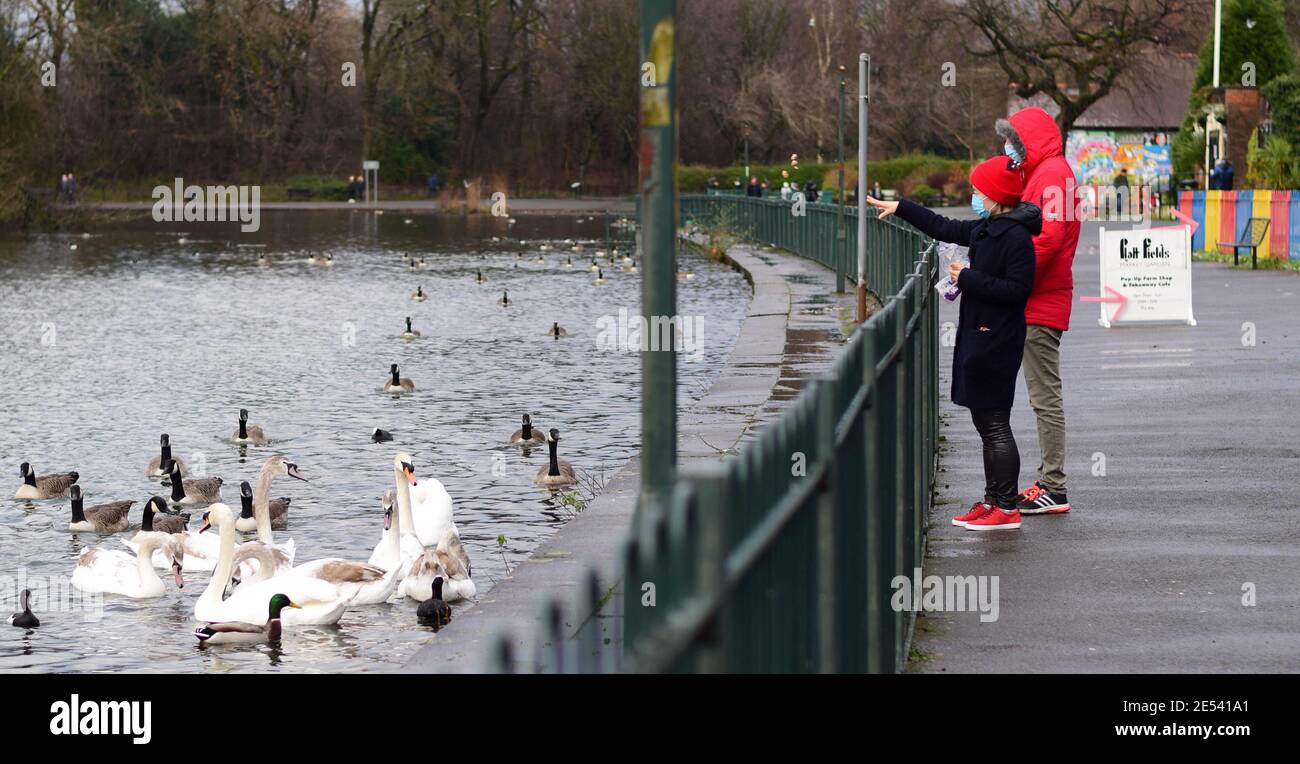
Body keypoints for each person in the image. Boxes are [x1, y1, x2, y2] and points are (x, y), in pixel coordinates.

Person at [865, 155, 1039, 530]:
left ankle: (1006, 506)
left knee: (995, 423)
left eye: (979, 190)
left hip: (998, 340)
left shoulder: (1016, 238)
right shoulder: (989, 227)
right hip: (980, 336)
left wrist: (969, 277)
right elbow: (945, 227)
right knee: (985, 422)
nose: (975, 194)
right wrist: (902, 208)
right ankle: (993, 498)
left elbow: (1018, 290)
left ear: (995, 196)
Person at [996, 106, 1078, 514]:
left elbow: (1047, 241)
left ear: (1026, 141)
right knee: (1041, 395)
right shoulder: (1046, 173)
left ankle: (1054, 486)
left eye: (1011, 140)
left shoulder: (1051, 176)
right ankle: (1049, 480)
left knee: (1044, 397)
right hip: (1038, 298)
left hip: (1041, 301)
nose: (1006, 147)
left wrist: (1004, 271)